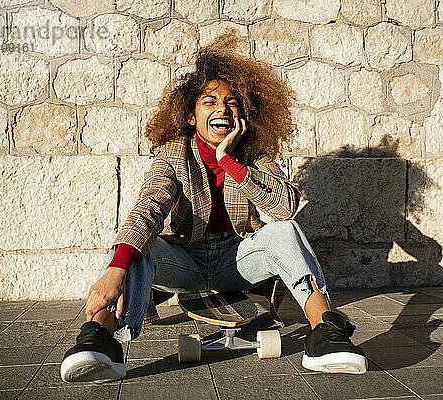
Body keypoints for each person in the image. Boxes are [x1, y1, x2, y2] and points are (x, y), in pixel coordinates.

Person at [60, 30, 367, 383]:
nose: (222, 109)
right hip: (185, 262)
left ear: (243, 114)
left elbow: (285, 208)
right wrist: (115, 271)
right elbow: (149, 207)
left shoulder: (252, 154)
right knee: (136, 245)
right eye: (209, 101)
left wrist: (231, 164)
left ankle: (325, 334)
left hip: (237, 260)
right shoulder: (174, 153)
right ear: (191, 115)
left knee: (286, 231)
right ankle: (101, 340)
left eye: (232, 102)